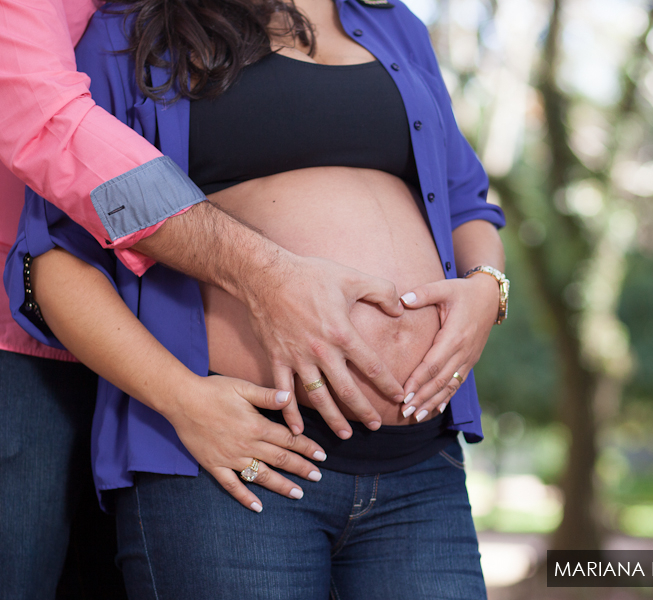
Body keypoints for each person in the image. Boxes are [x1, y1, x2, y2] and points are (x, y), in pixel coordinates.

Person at [6, 0, 507, 597]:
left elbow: (467, 203)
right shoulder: (136, 29)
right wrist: (184, 400)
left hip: (421, 468)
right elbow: (54, 260)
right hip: (233, 463)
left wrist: (488, 289)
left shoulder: (396, 24)